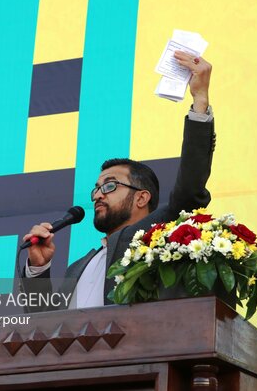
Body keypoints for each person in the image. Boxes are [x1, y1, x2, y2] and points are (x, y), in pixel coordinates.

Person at [22, 51, 216, 309]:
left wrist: (200, 100)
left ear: (141, 197)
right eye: (96, 189)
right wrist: (38, 268)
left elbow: (189, 190)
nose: (98, 195)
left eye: (110, 185)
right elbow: (43, 332)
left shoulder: (161, 239)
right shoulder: (76, 268)